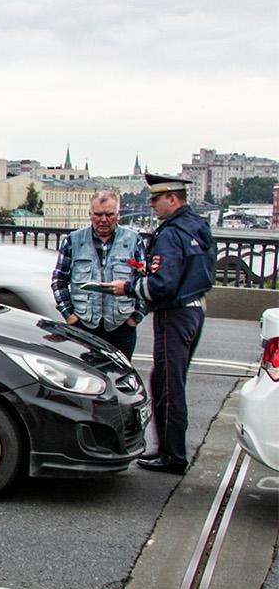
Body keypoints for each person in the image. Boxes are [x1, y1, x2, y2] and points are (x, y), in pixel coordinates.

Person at [103, 173, 216, 474]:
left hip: (174, 315)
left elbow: (162, 285)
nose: (151, 205)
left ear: (172, 199)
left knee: (167, 385)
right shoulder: (198, 226)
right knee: (172, 381)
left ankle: (172, 455)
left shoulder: (170, 233)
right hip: (194, 311)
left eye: (155, 199)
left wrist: (128, 287)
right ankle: (170, 450)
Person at [50, 190, 147, 358]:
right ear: (90, 214)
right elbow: (59, 280)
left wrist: (136, 317)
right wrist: (69, 316)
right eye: (98, 214)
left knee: (121, 378)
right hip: (83, 324)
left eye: (109, 214)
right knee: (82, 377)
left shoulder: (133, 241)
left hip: (121, 325)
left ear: (118, 215)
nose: (103, 220)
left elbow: (146, 282)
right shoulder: (73, 241)